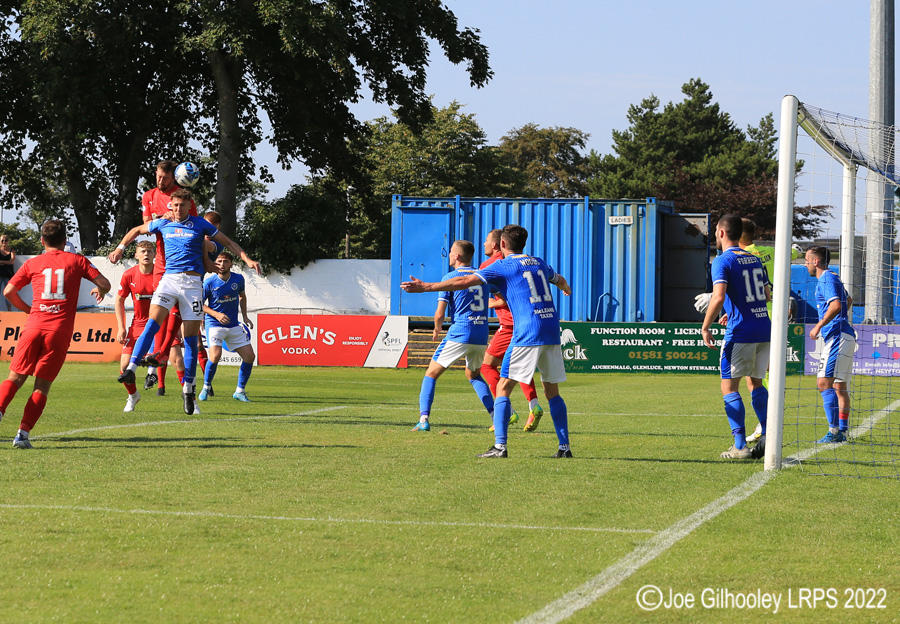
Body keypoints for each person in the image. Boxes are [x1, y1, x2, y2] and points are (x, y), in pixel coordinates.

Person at [403, 224, 572, 459]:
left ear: (502, 245)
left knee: (503, 388)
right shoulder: (538, 262)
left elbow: (463, 282)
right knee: (552, 390)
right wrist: (565, 287)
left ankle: (500, 447)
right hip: (552, 328)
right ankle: (564, 447)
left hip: (527, 331)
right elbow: (559, 279)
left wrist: (427, 287)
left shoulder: (502, 266)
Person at [109, 188, 261, 416]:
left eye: (182, 206)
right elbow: (136, 230)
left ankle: (188, 390)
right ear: (170, 205)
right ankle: (131, 369)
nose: (178, 210)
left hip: (192, 285)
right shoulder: (162, 222)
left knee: (190, 340)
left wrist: (247, 259)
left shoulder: (200, 225)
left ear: (189, 206)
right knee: (152, 324)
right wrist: (120, 248)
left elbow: (227, 242)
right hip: (169, 280)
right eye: (175, 205)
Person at [0, 220, 110, 449]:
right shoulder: (77, 260)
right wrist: (99, 289)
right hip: (58, 331)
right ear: (64, 241)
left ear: (42, 241)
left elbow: (9, 291)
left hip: (34, 325)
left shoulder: (34, 263)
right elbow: (105, 284)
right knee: (41, 386)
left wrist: (27, 309)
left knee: (15, 378)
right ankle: (22, 435)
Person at [700, 215, 771, 460]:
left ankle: (740, 446)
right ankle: (770, 436)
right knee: (757, 383)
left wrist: (705, 326)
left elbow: (718, 297)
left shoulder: (721, 260)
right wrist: (734, 311)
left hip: (741, 332)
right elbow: (766, 294)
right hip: (764, 328)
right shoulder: (754, 258)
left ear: (721, 233)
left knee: (729, 387)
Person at [411, 240, 496, 432]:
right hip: (482, 334)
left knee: (431, 374)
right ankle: (495, 416)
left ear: (457, 256)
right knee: (473, 375)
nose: (449, 254)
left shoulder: (450, 277)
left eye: (450, 252)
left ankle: (423, 419)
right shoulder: (482, 277)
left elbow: (440, 312)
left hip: (460, 332)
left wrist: (436, 328)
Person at [140, 160, 199, 393]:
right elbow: (146, 225)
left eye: (164, 178)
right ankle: (153, 370)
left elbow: (194, 227)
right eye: (158, 176)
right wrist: (162, 219)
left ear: (174, 178)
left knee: (181, 319)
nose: (160, 181)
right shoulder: (148, 196)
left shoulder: (183, 199)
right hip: (162, 263)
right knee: (158, 317)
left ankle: (163, 364)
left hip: (182, 264)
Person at [479, 229, 544, 432]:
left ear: (498, 244)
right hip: (529, 322)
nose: (484, 244)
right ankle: (533, 405)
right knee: (520, 368)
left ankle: (507, 411)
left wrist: (491, 303)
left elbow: (505, 297)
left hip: (510, 325)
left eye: (487, 240)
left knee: (487, 367)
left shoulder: (492, 265)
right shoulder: (525, 261)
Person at [806, 246, 856, 443]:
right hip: (844, 334)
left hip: (837, 336)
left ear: (816, 262)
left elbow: (836, 305)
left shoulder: (826, 278)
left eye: (807, 260)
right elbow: (848, 300)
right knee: (839, 386)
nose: (806, 264)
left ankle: (834, 432)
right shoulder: (832, 277)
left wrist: (818, 326)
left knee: (823, 383)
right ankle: (842, 432)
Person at [198, 251, 255, 403]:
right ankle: (206, 386)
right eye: (219, 261)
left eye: (225, 261)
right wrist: (215, 314)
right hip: (215, 324)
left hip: (233, 325)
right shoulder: (209, 282)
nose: (222, 264)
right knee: (215, 356)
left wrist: (245, 316)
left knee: (250, 356)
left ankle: (239, 391)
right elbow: (199, 304)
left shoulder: (238, 279)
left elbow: (242, 296)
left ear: (231, 264)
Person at [113, 241, 156, 413]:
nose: (146, 254)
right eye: (143, 251)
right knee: (124, 367)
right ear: (136, 255)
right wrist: (121, 326)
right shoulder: (129, 275)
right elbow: (119, 300)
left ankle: (191, 395)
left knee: (176, 359)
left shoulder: (162, 274)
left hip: (158, 324)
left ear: (155, 255)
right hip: (137, 324)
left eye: (150, 251)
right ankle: (133, 396)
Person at [0, 234, 16, 311]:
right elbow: (9, 261)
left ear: (8, 241)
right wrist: (7, 261)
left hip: (8, 274)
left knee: (8, 293)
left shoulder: (11, 251)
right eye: (2, 240)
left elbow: (12, 261)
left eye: (5, 240)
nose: (4, 242)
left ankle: (9, 311)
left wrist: (1, 262)